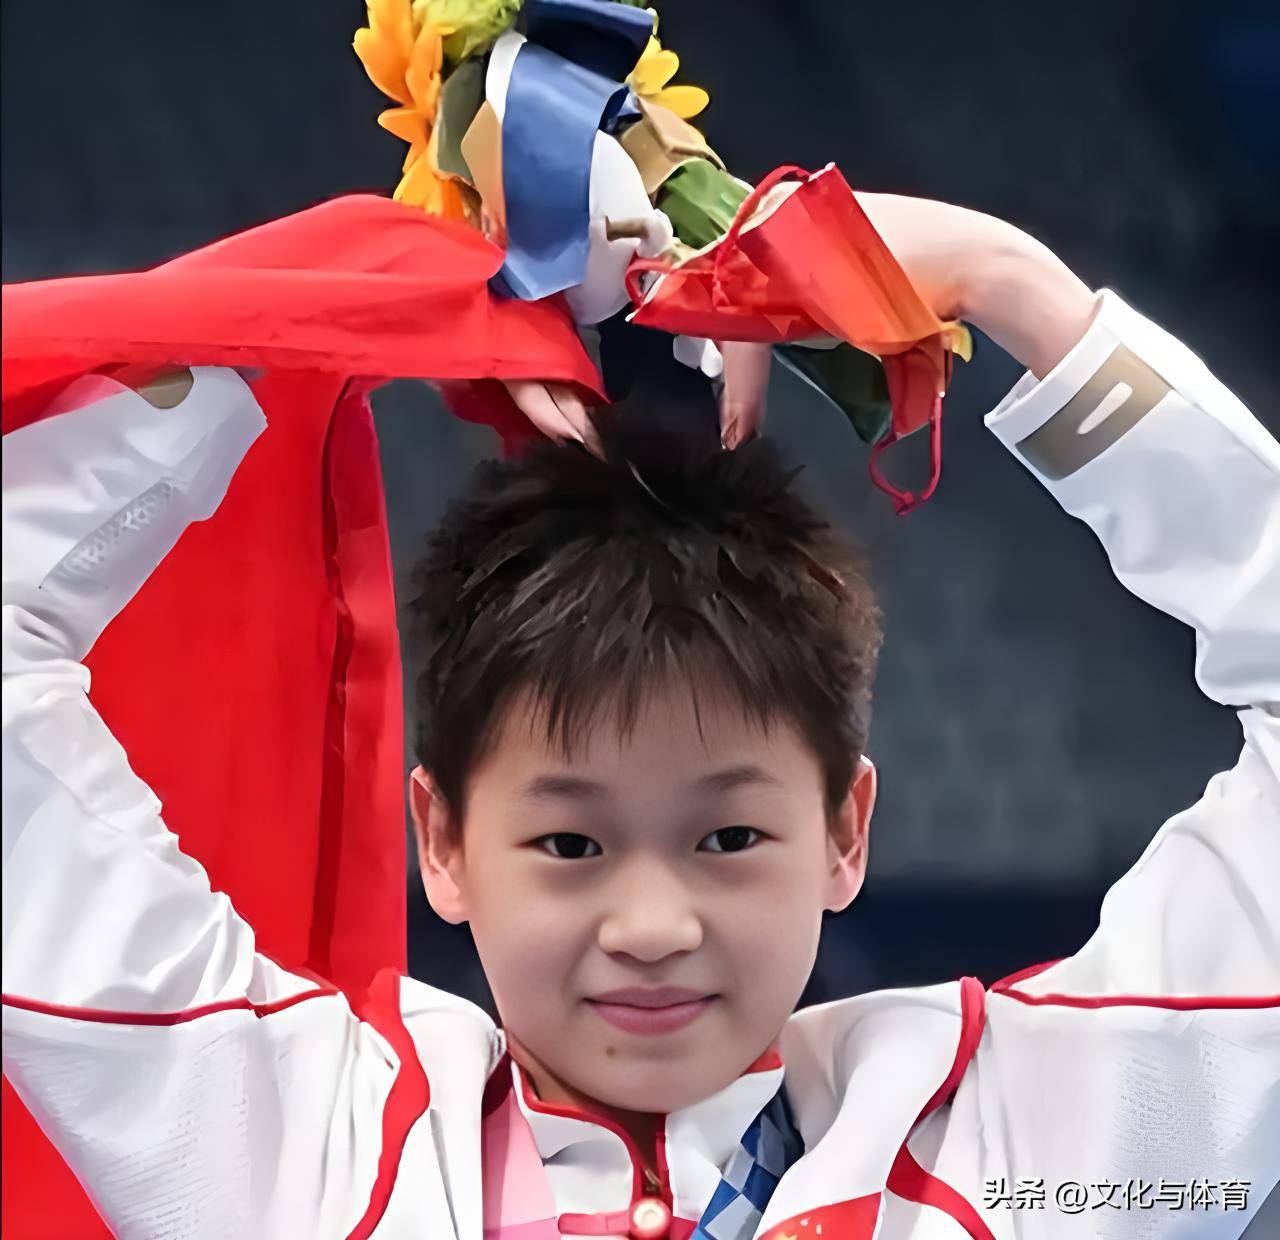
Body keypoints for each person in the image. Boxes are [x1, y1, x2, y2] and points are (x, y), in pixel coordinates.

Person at [3, 193, 1278, 1240]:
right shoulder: (304, 1152)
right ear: (440, 841)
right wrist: (324, 306)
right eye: (570, 843)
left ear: (845, 831)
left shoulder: (1025, 1152)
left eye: (727, 837)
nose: (653, 928)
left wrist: (1006, 283)